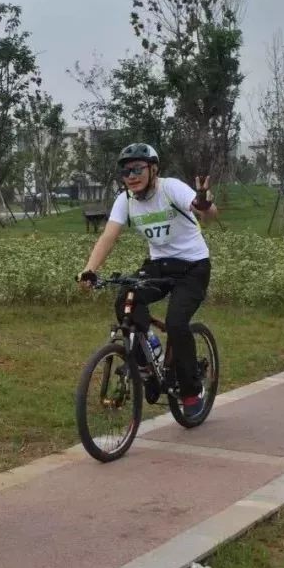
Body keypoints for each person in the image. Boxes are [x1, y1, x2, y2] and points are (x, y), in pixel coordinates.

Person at [75, 143, 218, 420]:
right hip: (159, 265)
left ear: (153, 169)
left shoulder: (171, 188)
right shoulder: (125, 199)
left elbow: (208, 213)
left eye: (138, 169)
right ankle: (146, 357)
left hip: (194, 267)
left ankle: (191, 390)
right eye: (126, 171)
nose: (132, 175)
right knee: (125, 301)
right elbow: (109, 236)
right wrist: (89, 269)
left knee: (177, 323)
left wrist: (204, 203)